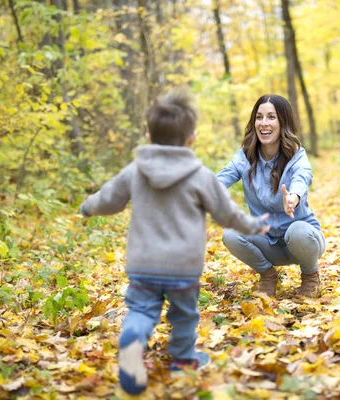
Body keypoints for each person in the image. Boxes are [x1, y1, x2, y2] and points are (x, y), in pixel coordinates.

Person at [79, 89, 269, 395]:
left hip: (143, 264)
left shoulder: (135, 171)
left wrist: (89, 206)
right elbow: (226, 214)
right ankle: (183, 361)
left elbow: (110, 199)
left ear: (149, 135)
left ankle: (133, 336)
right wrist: (253, 225)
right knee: (184, 315)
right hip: (183, 267)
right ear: (191, 138)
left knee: (141, 310)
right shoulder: (200, 176)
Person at [217, 94, 325, 298]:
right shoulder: (244, 157)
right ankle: (268, 275)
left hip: (303, 242)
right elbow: (221, 179)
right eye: (259, 117)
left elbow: (302, 176)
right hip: (267, 243)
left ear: (283, 122)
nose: (263, 123)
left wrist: (293, 196)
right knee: (231, 232)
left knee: (298, 230)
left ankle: (310, 275)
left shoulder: (296, 155)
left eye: (271, 117)